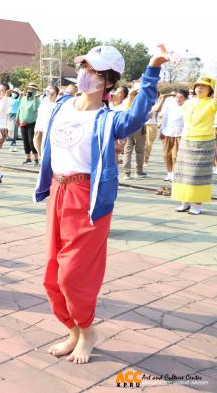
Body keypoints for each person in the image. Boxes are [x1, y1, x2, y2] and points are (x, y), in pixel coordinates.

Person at [35, 45, 170, 364]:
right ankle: (73, 330)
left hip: (88, 198)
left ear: (108, 81)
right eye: (84, 67)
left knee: (73, 274)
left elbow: (138, 115)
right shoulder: (63, 105)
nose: (84, 74)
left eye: (93, 71)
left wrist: (152, 70)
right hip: (58, 191)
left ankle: (87, 330)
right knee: (52, 276)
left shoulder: (109, 119)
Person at [171, 76, 217, 215]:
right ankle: (184, 201)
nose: (200, 88)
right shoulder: (188, 102)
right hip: (186, 140)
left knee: (198, 174)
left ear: (210, 90)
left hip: (203, 142)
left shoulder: (211, 103)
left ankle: (197, 204)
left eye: (204, 86)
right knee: (183, 173)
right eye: (198, 85)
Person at [156, 91, 186, 181]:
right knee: (166, 155)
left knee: (175, 156)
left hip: (179, 134)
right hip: (167, 133)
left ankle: (175, 174)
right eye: (177, 97)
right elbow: (165, 120)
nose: (178, 99)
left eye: (181, 97)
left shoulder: (186, 108)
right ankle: (169, 173)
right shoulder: (170, 107)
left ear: (185, 98)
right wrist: (161, 130)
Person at [122, 81, 147, 179]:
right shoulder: (142, 100)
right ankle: (138, 171)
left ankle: (126, 173)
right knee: (139, 150)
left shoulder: (126, 100)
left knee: (127, 150)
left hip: (128, 126)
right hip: (139, 126)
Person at [16, 83, 41, 165]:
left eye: (33, 89)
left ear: (36, 91)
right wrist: (17, 119)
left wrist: (36, 99)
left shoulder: (37, 99)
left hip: (32, 122)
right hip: (23, 122)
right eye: (30, 89)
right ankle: (28, 158)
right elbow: (19, 109)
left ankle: (36, 159)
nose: (31, 90)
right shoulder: (23, 98)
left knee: (31, 141)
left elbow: (35, 109)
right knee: (25, 141)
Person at [34, 86, 59, 160]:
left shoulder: (57, 105)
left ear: (56, 95)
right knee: (38, 141)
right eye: (48, 93)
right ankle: (41, 157)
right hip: (40, 128)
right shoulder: (43, 102)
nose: (50, 96)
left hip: (51, 131)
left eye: (52, 94)